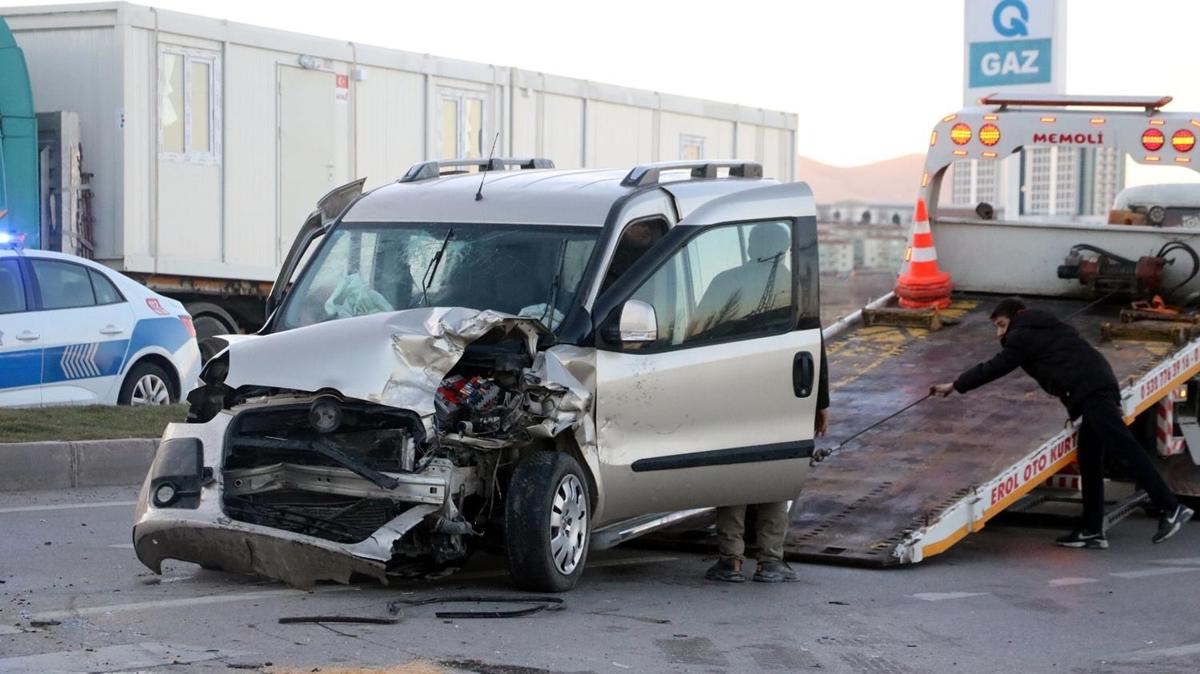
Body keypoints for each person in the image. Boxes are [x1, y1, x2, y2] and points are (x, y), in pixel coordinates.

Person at [931, 298, 1194, 549]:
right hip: (1096, 387)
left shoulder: (1022, 334)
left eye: (1001, 324)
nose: (999, 334)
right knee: (1089, 458)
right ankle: (1092, 530)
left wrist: (955, 385)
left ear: (1016, 316)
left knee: (1125, 447)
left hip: (1092, 392)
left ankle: (1171, 507)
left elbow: (994, 367)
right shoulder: (1046, 327)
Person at [705, 341, 830, 583]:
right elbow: (814, 351)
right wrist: (821, 402)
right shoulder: (786, 311)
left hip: (733, 398)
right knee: (775, 471)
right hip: (781, 395)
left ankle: (731, 559)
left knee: (734, 471)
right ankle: (770, 560)